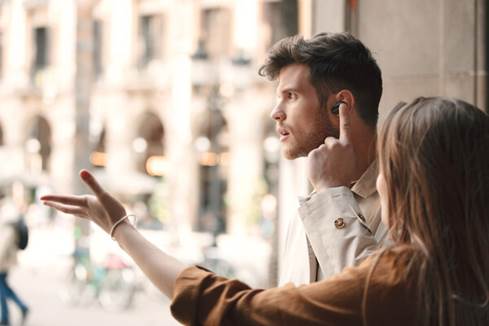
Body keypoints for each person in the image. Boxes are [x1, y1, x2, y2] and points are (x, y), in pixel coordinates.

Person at [41, 97, 489, 325]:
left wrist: (121, 229)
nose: (277, 112)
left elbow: (237, 309)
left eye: (291, 95)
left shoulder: (403, 279)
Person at [260, 32, 386, 283]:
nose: (276, 113)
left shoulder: (407, 202)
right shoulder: (304, 211)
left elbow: (377, 302)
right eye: (278, 98)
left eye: (291, 96)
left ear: (341, 106)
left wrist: (330, 193)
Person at [0, 206, 29, 326]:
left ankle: (8, 316)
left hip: (2, 262)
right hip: (6, 262)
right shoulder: (12, 223)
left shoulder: (8, 226)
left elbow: (3, 246)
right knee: (4, 288)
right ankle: (11, 313)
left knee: (2, 290)